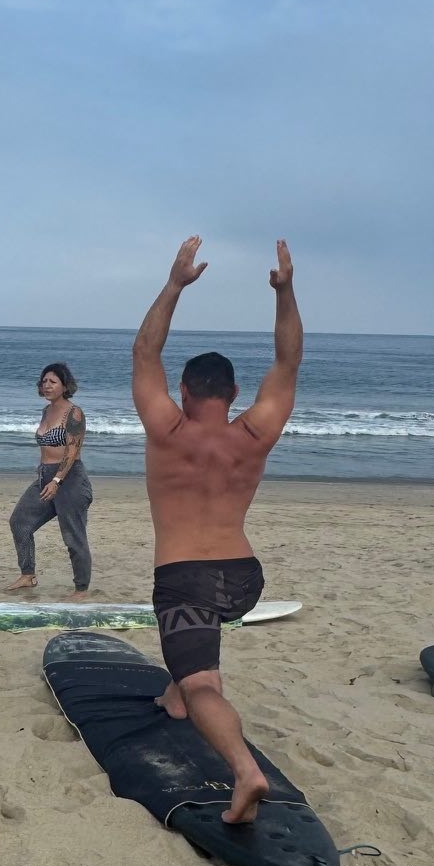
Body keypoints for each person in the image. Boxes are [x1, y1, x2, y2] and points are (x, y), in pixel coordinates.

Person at [132, 236, 302, 823]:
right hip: (243, 577)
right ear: (233, 394)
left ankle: (244, 772)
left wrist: (175, 285)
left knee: (202, 681)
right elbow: (287, 363)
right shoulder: (253, 432)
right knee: (190, 672)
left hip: (185, 576)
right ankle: (177, 693)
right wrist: (285, 295)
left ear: (184, 391)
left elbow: (144, 354)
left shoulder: (166, 430)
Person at [6, 362, 92, 596]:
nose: (46, 385)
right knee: (20, 522)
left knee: (73, 536)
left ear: (65, 385)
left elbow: (72, 451)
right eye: (44, 381)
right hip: (45, 477)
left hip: (69, 480)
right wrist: (45, 475)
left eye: (52, 381)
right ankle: (27, 574)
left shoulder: (74, 413)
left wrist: (57, 481)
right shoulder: (46, 411)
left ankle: (81, 589)